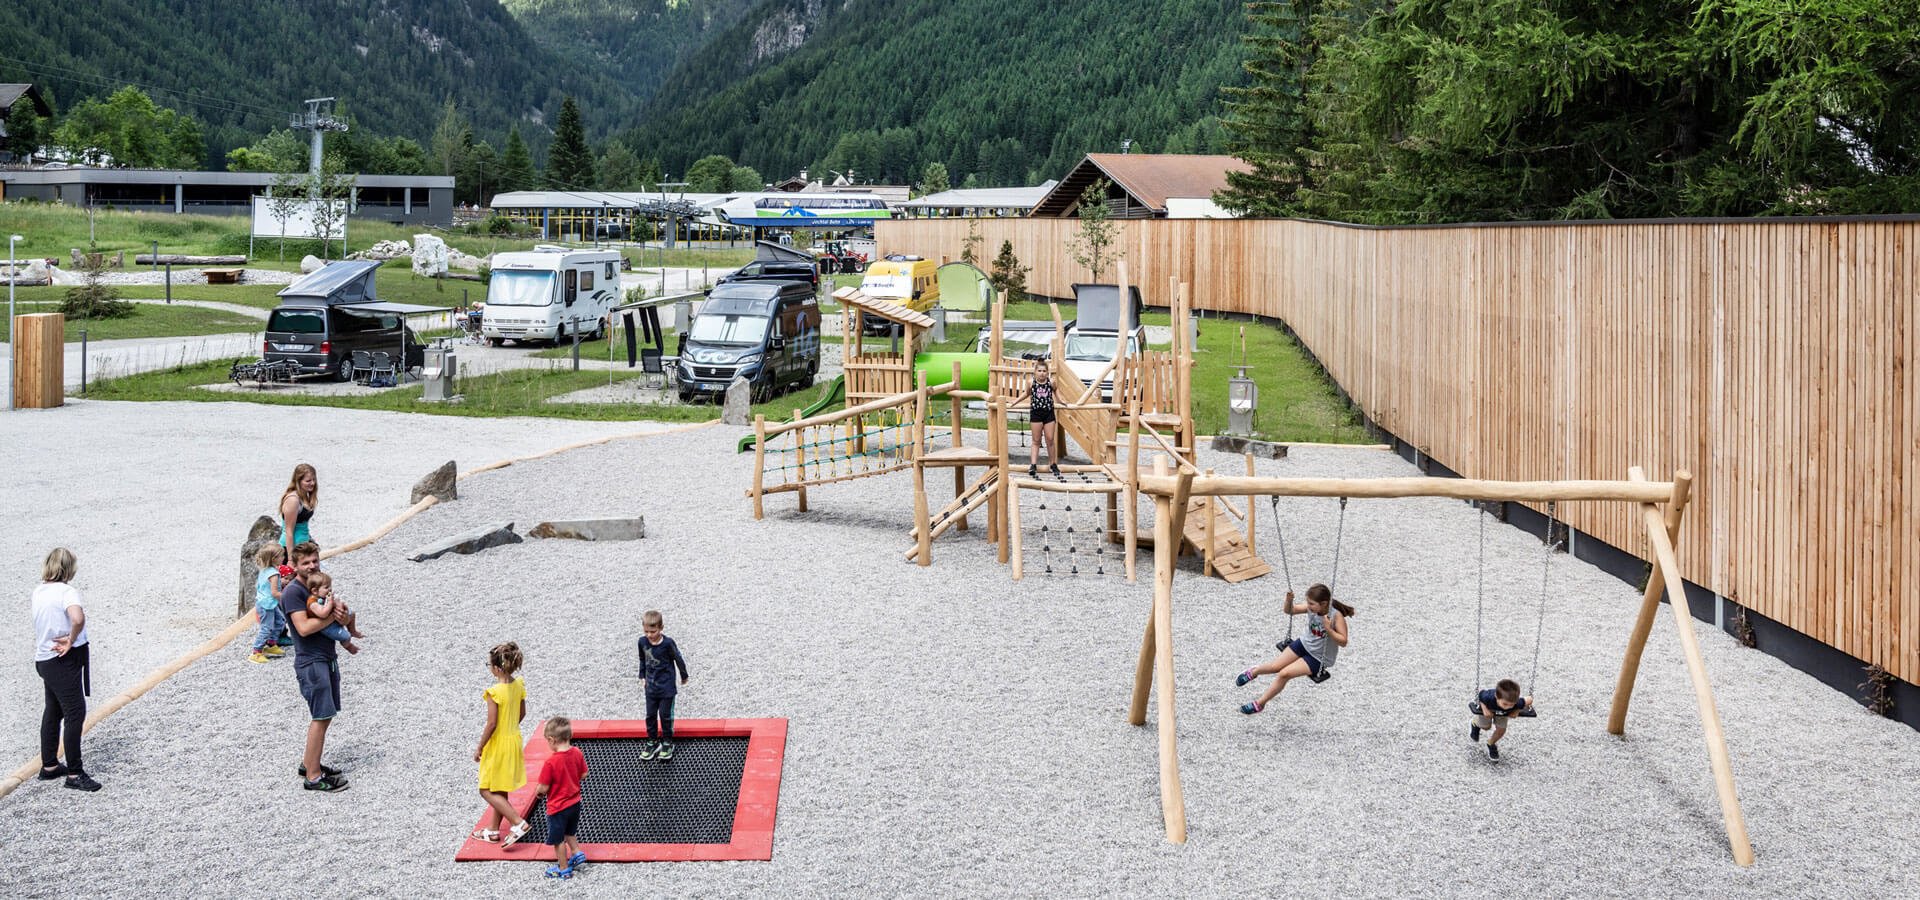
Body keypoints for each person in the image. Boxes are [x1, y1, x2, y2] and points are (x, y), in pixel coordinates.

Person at [32, 548, 99, 792]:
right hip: (62, 660)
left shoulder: (39, 591)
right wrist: (71, 639)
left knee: (53, 710)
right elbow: (77, 618)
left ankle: (49, 765)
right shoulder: (66, 591)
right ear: (69, 569)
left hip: (44, 660)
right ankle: (74, 773)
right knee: (75, 712)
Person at [283, 541, 348, 792]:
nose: (311, 566)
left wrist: (339, 616)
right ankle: (313, 777)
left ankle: (310, 763)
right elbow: (303, 628)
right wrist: (332, 617)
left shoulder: (313, 585)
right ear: (295, 565)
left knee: (326, 714)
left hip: (324, 657)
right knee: (320, 717)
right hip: (311, 660)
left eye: (314, 560)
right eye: (305, 563)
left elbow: (327, 615)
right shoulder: (293, 593)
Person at [1234, 584, 1353, 714]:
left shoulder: (1336, 616)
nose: (1308, 606)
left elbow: (1343, 641)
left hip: (1318, 657)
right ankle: (1253, 672)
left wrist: (1328, 628)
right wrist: (1289, 601)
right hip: (1304, 643)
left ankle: (1260, 703)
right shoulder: (1311, 608)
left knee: (1284, 674)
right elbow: (1289, 610)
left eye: (1312, 604)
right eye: (1308, 602)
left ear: (1324, 604)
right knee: (1275, 666)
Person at [475, 642, 532, 848]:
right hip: (514, 739)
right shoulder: (518, 685)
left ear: (497, 667)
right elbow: (522, 713)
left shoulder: (494, 692)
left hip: (498, 744)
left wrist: (480, 746)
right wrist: (510, 727)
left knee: (486, 789)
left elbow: (491, 723)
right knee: (501, 785)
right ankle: (492, 830)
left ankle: (517, 823)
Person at [535, 717, 589, 879]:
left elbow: (543, 788)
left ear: (552, 740)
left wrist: (539, 793)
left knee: (558, 839)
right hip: (575, 803)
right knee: (569, 831)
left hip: (558, 807)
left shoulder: (551, 763)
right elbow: (584, 774)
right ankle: (576, 852)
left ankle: (563, 868)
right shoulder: (577, 752)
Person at [636, 610, 689, 761]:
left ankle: (667, 742)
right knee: (650, 715)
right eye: (646, 631)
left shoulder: (667, 643)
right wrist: (642, 675)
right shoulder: (642, 642)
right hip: (651, 687)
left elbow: (678, 659)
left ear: (661, 628)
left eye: (653, 631)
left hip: (666, 688)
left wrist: (684, 675)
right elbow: (642, 659)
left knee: (665, 716)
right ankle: (652, 741)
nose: (649, 635)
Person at [1469, 678, 1534, 762]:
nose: (1508, 706)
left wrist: (1516, 710)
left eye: (1511, 704)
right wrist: (1485, 709)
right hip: (1489, 708)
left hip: (1503, 714)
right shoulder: (1488, 697)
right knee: (1486, 727)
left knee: (1501, 730)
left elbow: (1529, 699)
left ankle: (1491, 743)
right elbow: (1481, 695)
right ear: (1496, 697)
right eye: (1505, 704)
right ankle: (1474, 724)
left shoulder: (1516, 702)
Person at [298, 571, 362, 654]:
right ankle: (347, 645)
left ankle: (352, 630)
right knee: (346, 636)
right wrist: (330, 602)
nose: (330, 589)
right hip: (326, 626)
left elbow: (339, 606)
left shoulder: (324, 597)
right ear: (314, 591)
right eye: (326, 587)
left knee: (352, 613)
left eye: (330, 586)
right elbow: (323, 614)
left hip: (332, 617)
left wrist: (339, 605)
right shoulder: (313, 602)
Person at [248, 544, 290, 663]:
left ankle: (271, 644)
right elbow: (275, 593)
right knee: (266, 627)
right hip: (267, 604)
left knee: (280, 621)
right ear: (274, 559)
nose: (283, 557)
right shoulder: (274, 574)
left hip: (268, 603)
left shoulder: (266, 570)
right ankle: (256, 651)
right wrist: (288, 596)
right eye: (281, 555)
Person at [1025, 357, 1061, 478]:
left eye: (1044, 371)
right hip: (1036, 413)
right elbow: (1026, 394)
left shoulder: (1051, 382)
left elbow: (1056, 393)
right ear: (1035, 372)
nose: (1042, 373)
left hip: (1049, 413)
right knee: (1036, 441)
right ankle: (1033, 464)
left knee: (1050, 439)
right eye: (1039, 371)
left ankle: (1053, 464)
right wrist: (1013, 403)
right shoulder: (1031, 382)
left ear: (1047, 372)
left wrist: (1062, 402)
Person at [280, 463, 319, 561]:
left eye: (314, 480)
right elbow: (289, 531)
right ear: (298, 481)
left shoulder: (305, 496)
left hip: (304, 545)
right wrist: (290, 559)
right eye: (308, 481)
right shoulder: (293, 499)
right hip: (292, 548)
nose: (312, 483)